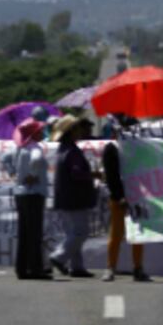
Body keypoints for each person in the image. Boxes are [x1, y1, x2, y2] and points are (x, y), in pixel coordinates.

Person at [101, 117, 151, 282]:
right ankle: (110, 268)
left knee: (138, 234)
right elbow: (111, 176)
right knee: (116, 235)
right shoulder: (111, 149)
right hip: (119, 199)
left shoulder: (138, 149)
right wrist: (120, 197)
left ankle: (138, 267)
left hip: (137, 197)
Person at [49, 115, 98, 278]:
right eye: (77, 128)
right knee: (80, 233)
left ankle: (77, 267)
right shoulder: (72, 151)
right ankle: (58, 257)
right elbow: (77, 174)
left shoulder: (63, 149)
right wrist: (93, 174)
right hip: (74, 198)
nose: (80, 131)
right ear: (71, 132)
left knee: (73, 233)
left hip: (65, 198)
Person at [4, 118, 51, 280]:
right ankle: (36, 269)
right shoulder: (34, 148)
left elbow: (5, 158)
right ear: (33, 133)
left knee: (24, 233)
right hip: (34, 194)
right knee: (35, 233)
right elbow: (37, 159)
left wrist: (13, 173)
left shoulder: (18, 148)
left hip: (20, 194)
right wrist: (33, 174)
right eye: (39, 130)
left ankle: (22, 268)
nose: (42, 133)